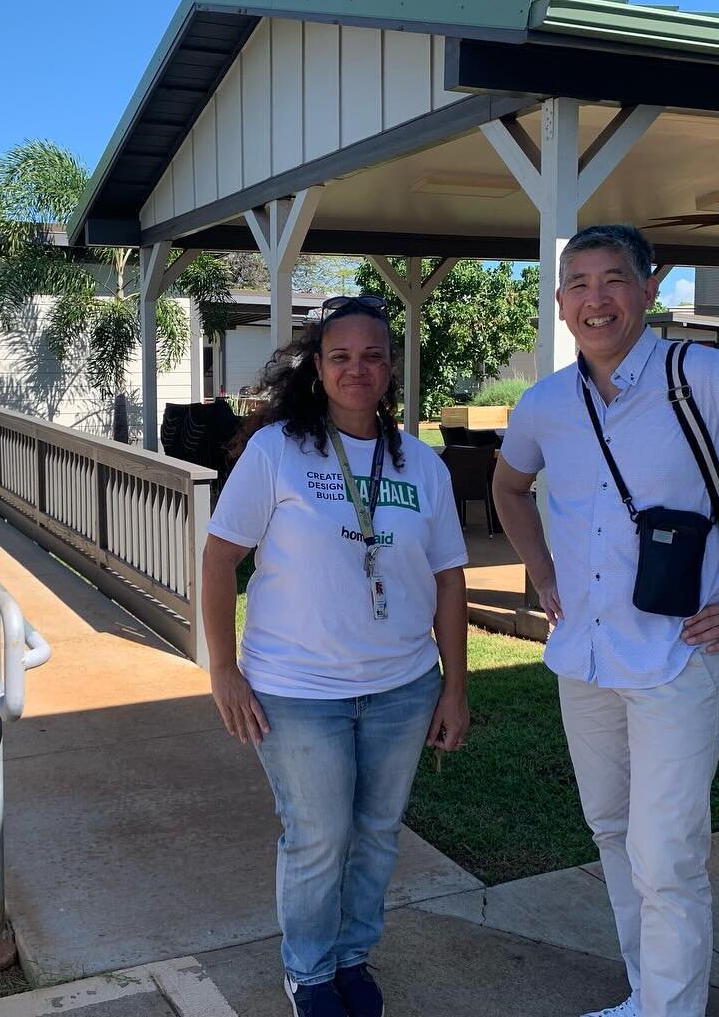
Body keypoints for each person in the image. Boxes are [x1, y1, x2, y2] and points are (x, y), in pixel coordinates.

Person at [492, 225, 719, 1017]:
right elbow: (508, 488)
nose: (597, 299)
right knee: (614, 835)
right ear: (559, 303)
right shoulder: (546, 402)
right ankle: (647, 995)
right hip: (583, 658)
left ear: (649, 290)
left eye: (614, 280)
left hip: (679, 654)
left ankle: (670, 1011)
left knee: (667, 854)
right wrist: (544, 573)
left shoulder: (707, 377)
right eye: (579, 284)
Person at [201, 296, 470, 1017]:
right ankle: (310, 973)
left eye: (373, 356)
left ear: (391, 370)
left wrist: (454, 688)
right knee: (319, 837)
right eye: (341, 355)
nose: (358, 368)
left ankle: (353, 956)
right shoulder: (278, 450)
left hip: (403, 687)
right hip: (296, 690)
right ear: (318, 368)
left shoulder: (423, 463)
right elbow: (221, 560)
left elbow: (448, 578)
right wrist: (223, 670)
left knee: (379, 834)